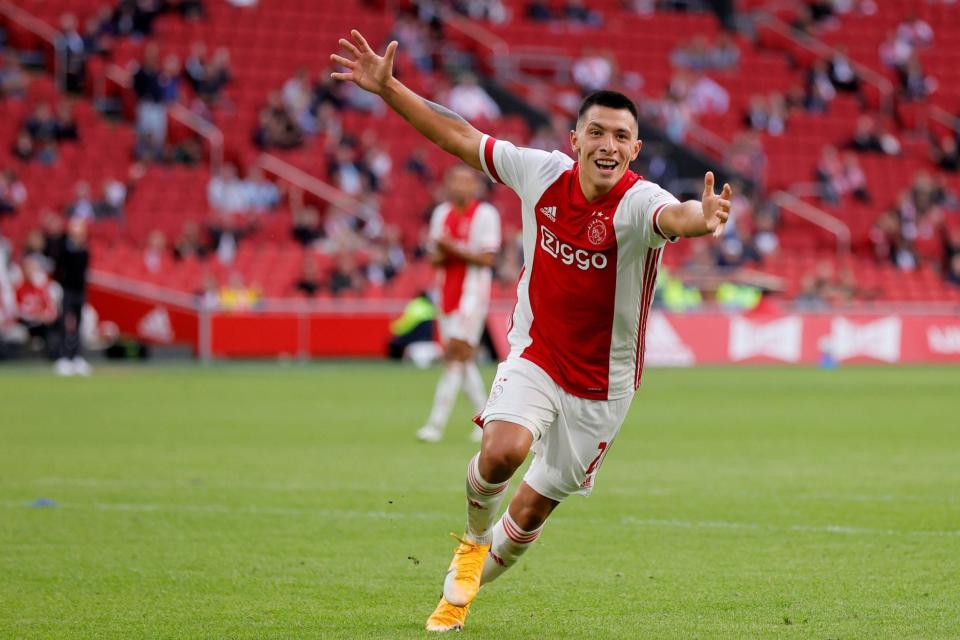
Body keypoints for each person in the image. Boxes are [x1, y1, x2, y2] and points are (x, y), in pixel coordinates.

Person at [330, 30, 731, 633]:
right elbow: (460, 135)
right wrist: (389, 88)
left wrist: (703, 218)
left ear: (636, 149)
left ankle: (459, 596)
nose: (607, 144)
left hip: (604, 387)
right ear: (575, 139)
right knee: (504, 450)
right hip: (537, 354)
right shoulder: (540, 173)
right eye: (596, 131)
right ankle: (469, 541)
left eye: (621, 136)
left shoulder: (638, 202)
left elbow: (675, 215)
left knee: (528, 514)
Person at [416, 164, 501, 444]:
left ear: (475, 186)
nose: (460, 187)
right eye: (455, 181)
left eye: (466, 182)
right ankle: (487, 419)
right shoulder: (441, 213)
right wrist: (445, 251)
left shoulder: (486, 214)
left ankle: (435, 424)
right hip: (447, 292)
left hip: (472, 294)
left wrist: (451, 248)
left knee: (454, 355)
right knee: (462, 358)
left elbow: (488, 259)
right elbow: (434, 258)